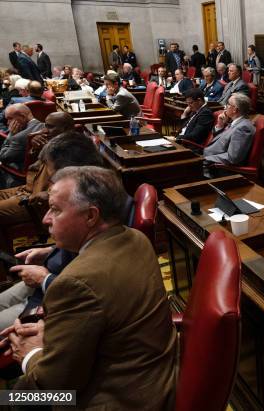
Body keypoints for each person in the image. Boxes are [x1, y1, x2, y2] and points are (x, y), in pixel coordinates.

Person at [1, 166, 176, 409]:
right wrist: (51, 332)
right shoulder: (136, 238)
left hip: (112, 400)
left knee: (10, 398)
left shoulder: (76, 283)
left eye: (55, 210)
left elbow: (55, 388)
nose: (45, 219)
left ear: (91, 216)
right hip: (151, 379)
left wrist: (29, 354)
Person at [0, 131, 103, 329]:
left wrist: (45, 279)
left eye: (55, 210)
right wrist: (50, 250)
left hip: (56, 299)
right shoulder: (84, 192)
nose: (46, 219)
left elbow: (88, 293)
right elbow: (80, 248)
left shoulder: (94, 204)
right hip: (51, 275)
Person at [0, 112, 75, 250]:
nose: (45, 130)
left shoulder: (72, 150)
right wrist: (35, 149)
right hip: (25, 189)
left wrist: (49, 195)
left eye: (50, 127)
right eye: (45, 125)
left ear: (66, 129)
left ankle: (6, 263)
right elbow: (34, 168)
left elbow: (72, 183)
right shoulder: (52, 143)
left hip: (34, 200)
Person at [203, 93, 255, 175]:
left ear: (235, 110)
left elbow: (232, 158)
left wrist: (206, 159)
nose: (225, 107)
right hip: (208, 159)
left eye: (228, 104)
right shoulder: (236, 122)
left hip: (215, 169)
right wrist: (220, 125)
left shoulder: (243, 128)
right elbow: (220, 141)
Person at [0, 104, 44, 188]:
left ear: (23, 117)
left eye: (10, 119)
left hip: (21, 173)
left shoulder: (19, 137)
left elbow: (3, 157)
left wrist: (11, 134)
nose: (8, 123)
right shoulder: (44, 125)